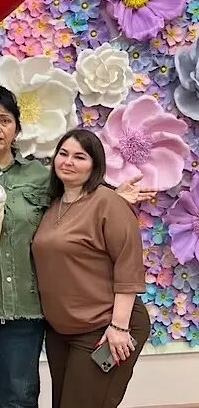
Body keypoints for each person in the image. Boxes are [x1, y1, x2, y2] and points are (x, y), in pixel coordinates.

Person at [0, 85, 155, 408]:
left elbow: (82, 204)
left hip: (28, 310)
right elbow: (71, 209)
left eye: (5, 120)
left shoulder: (39, 178)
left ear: (17, 128)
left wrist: (113, 198)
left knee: (21, 397)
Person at [31, 129, 150, 408]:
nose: (68, 161)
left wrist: (118, 327)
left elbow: (127, 265)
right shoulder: (54, 206)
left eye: (79, 157)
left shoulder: (108, 202)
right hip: (61, 330)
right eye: (63, 154)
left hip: (105, 326)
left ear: (94, 165)